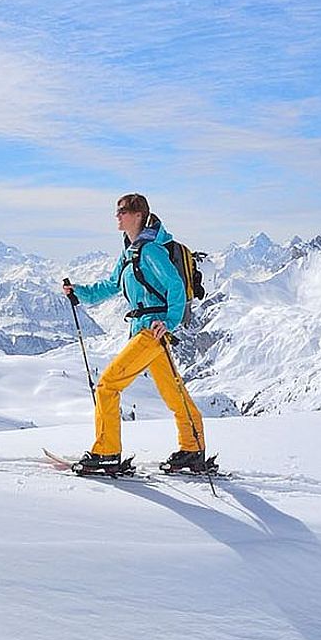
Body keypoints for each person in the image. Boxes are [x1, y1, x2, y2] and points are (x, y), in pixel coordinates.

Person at [61, 192, 210, 475]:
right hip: (144, 331)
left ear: (138, 214)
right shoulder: (131, 251)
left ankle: (106, 452)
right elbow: (110, 285)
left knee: (107, 385)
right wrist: (78, 292)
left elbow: (176, 286)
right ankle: (193, 447)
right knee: (173, 392)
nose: (117, 216)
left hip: (152, 331)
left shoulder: (150, 250)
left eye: (122, 211)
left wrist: (169, 320)